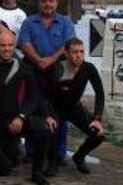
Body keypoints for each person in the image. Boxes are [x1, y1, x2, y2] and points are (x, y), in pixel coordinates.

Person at [0, 32, 57, 185]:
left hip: (18, 119)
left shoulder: (24, 70)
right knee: (5, 169)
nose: (7, 49)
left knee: (45, 130)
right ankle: (5, 152)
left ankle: (37, 173)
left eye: (10, 45)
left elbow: (35, 97)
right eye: (3, 45)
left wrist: (24, 116)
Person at [17, 0, 76, 161]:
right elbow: (24, 43)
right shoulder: (29, 22)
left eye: (51, 1)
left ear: (56, 3)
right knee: (33, 110)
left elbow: (68, 45)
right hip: (33, 70)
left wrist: (49, 60)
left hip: (58, 71)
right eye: (44, 1)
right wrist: (38, 60)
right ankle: (32, 152)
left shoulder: (66, 23)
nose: (47, 4)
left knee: (60, 112)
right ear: (38, 3)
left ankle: (58, 153)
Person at [44, 38, 106, 174]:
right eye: (75, 52)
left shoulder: (88, 68)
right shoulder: (56, 68)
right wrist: (48, 115)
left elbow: (100, 93)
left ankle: (79, 157)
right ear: (66, 53)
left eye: (82, 52)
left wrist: (97, 118)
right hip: (55, 106)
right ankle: (52, 162)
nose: (79, 55)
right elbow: (45, 96)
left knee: (98, 134)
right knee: (51, 129)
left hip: (73, 107)